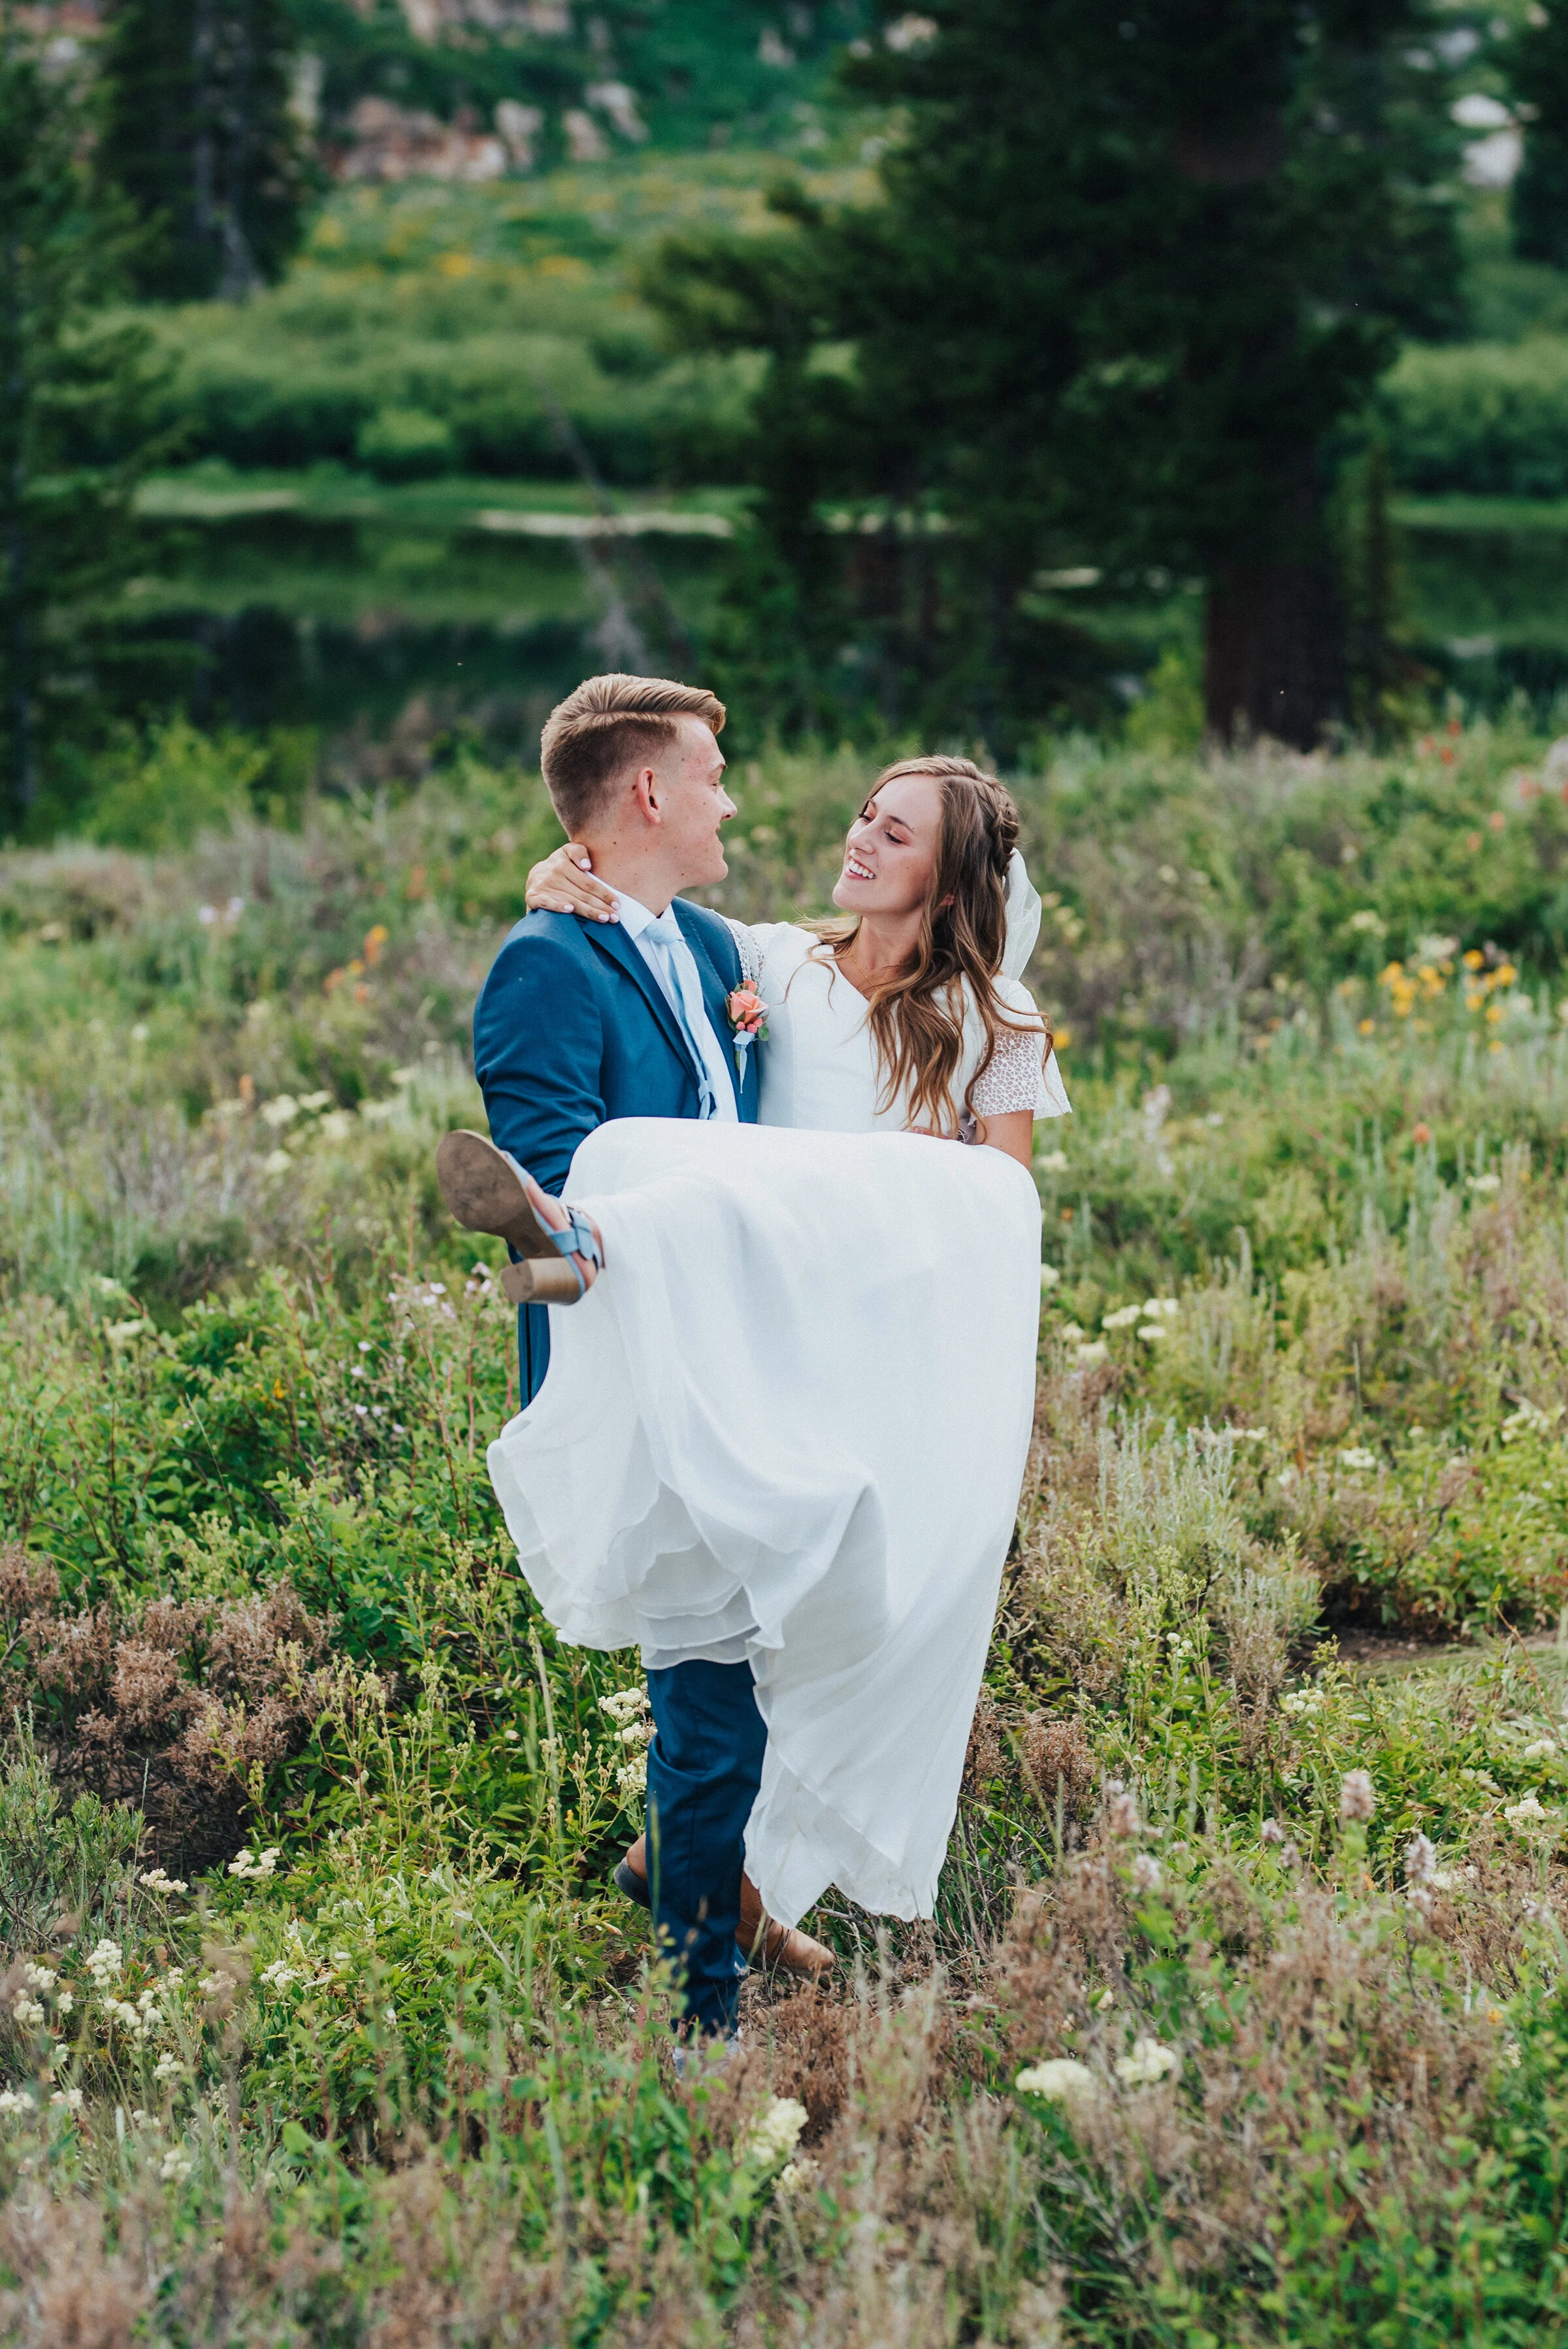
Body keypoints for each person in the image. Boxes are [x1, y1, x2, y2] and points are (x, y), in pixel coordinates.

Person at [455, 731, 1069, 2051]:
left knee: (849, 1620)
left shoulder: (999, 1027)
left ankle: (717, 1878)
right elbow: (635, 895)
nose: (859, 838)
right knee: (745, 1614)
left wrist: (904, 1186)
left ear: (951, 877)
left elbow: (1000, 1203)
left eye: (894, 832)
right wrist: (554, 869)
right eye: (863, 813)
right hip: (764, 1333)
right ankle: (580, 1226)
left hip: (879, 1346)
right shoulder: (773, 962)